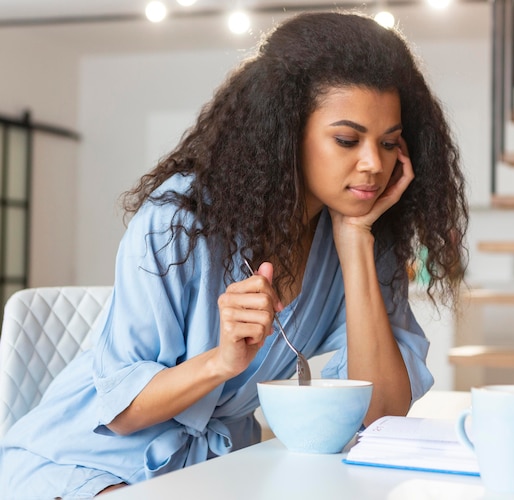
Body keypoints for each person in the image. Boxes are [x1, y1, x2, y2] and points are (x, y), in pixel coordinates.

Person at [0, 10, 468, 497]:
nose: (373, 163)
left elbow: (381, 416)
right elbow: (120, 414)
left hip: (216, 472)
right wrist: (221, 361)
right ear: (287, 131)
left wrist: (354, 241)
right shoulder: (177, 222)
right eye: (347, 139)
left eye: (389, 142)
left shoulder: (364, 237)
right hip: (84, 461)